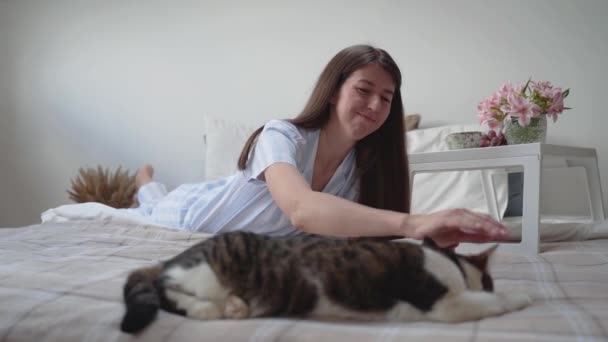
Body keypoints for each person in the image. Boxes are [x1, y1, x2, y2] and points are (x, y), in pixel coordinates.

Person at [125, 44, 507, 248]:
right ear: (333, 91)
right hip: (193, 214)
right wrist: (415, 223)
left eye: (387, 98)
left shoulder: (364, 168)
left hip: (251, 234)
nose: (375, 106)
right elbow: (301, 210)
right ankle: (144, 181)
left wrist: (431, 240)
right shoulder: (281, 136)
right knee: (156, 202)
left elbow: (359, 232)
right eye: (363, 90)